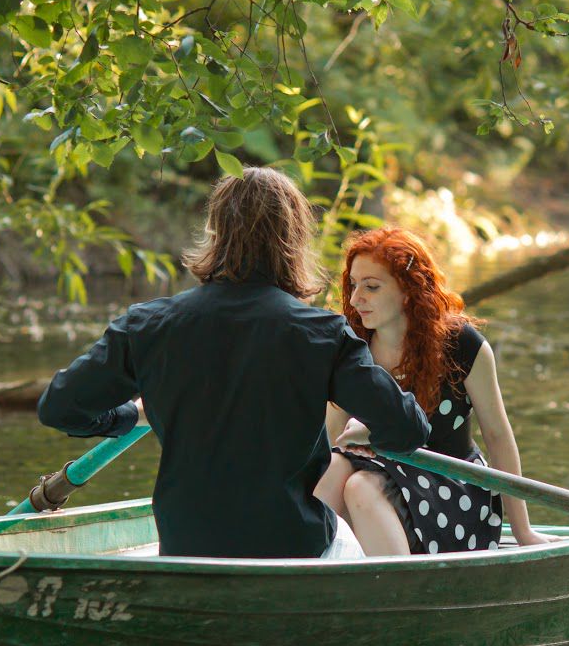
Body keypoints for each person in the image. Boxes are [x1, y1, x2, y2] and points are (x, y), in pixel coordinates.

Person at [35, 167, 430, 558]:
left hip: (186, 547)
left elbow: (60, 407)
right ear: (292, 240)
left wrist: (127, 416)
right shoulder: (323, 334)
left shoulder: (147, 325)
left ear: (215, 234)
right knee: (345, 534)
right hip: (292, 548)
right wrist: (366, 424)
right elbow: (407, 429)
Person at [315, 226, 556, 555]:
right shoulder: (354, 346)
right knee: (332, 469)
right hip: (377, 478)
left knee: (360, 486)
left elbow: (498, 437)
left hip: (452, 490)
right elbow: (329, 435)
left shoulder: (461, 345)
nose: (356, 299)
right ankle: (293, 578)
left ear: (408, 291)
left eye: (371, 287)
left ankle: (401, 595)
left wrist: (523, 531)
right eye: (353, 285)